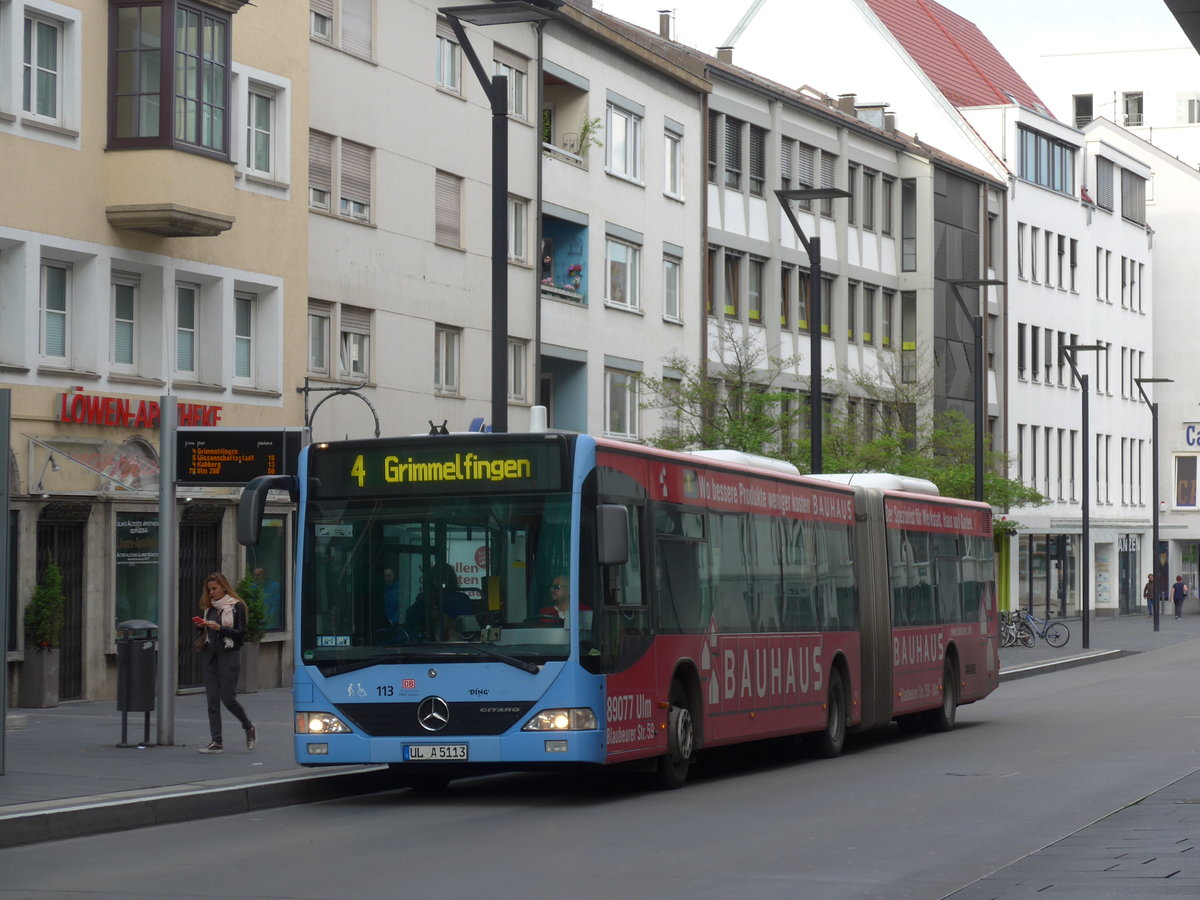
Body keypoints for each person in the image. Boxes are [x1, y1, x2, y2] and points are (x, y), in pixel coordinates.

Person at [194, 572, 256, 754]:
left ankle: (248, 726)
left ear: (224, 587)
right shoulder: (210, 608)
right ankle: (216, 741)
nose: (211, 593)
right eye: (209, 589)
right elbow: (205, 635)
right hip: (210, 655)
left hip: (228, 655)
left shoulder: (236, 606)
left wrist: (220, 628)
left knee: (228, 699)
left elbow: (241, 633)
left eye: (214, 588)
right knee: (212, 700)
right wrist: (201, 628)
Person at [405, 564, 473, 638]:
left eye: (444, 576)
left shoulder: (461, 599)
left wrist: (444, 616)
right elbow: (410, 618)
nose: (441, 580)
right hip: (429, 641)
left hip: (458, 640)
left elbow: (469, 624)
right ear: (432, 578)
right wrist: (426, 606)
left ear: (451, 578)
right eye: (438, 576)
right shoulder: (425, 598)